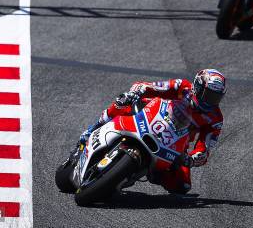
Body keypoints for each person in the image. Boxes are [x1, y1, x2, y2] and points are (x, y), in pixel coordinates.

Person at [79, 69, 226, 194]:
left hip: (175, 142)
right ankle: (93, 128)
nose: (211, 102)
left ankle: (152, 171)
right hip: (149, 115)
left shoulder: (215, 119)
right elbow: (152, 87)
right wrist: (138, 91)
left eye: (216, 98)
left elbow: (205, 147)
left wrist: (193, 159)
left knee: (182, 185)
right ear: (198, 87)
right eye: (209, 95)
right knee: (122, 101)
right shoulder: (182, 87)